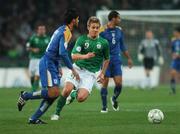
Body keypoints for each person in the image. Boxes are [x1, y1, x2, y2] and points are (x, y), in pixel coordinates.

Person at [17, 9, 80, 124]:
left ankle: (34, 118)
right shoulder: (66, 32)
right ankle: (26, 95)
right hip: (48, 63)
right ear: (73, 20)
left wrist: (59, 65)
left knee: (54, 94)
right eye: (77, 19)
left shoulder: (61, 29)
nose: (78, 20)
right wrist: (72, 69)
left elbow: (55, 49)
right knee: (53, 93)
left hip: (52, 63)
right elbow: (62, 52)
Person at [50, 16, 110, 120]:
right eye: (93, 27)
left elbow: (107, 59)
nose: (95, 30)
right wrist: (85, 56)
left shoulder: (104, 43)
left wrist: (102, 73)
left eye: (97, 27)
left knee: (81, 98)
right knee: (66, 91)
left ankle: (73, 94)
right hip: (78, 69)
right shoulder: (82, 39)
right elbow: (73, 56)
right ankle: (56, 113)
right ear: (88, 27)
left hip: (91, 74)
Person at [99, 11, 133, 113]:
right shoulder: (102, 30)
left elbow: (122, 45)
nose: (120, 20)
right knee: (105, 83)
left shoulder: (119, 30)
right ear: (113, 18)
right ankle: (104, 107)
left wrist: (129, 58)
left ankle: (114, 98)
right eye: (118, 18)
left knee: (119, 84)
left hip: (117, 60)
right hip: (106, 60)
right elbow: (97, 45)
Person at [26, 24, 50, 92]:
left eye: (43, 29)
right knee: (32, 75)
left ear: (45, 30)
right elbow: (27, 47)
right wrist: (33, 49)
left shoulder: (48, 39)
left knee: (38, 74)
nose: (42, 31)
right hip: (33, 59)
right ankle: (34, 86)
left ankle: (33, 91)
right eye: (40, 29)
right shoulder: (33, 38)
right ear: (38, 30)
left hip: (42, 59)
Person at [169, 27, 180, 94]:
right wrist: (173, 55)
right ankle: (173, 91)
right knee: (172, 73)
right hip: (175, 60)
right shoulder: (173, 40)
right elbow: (172, 50)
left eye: (175, 32)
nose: (174, 33)